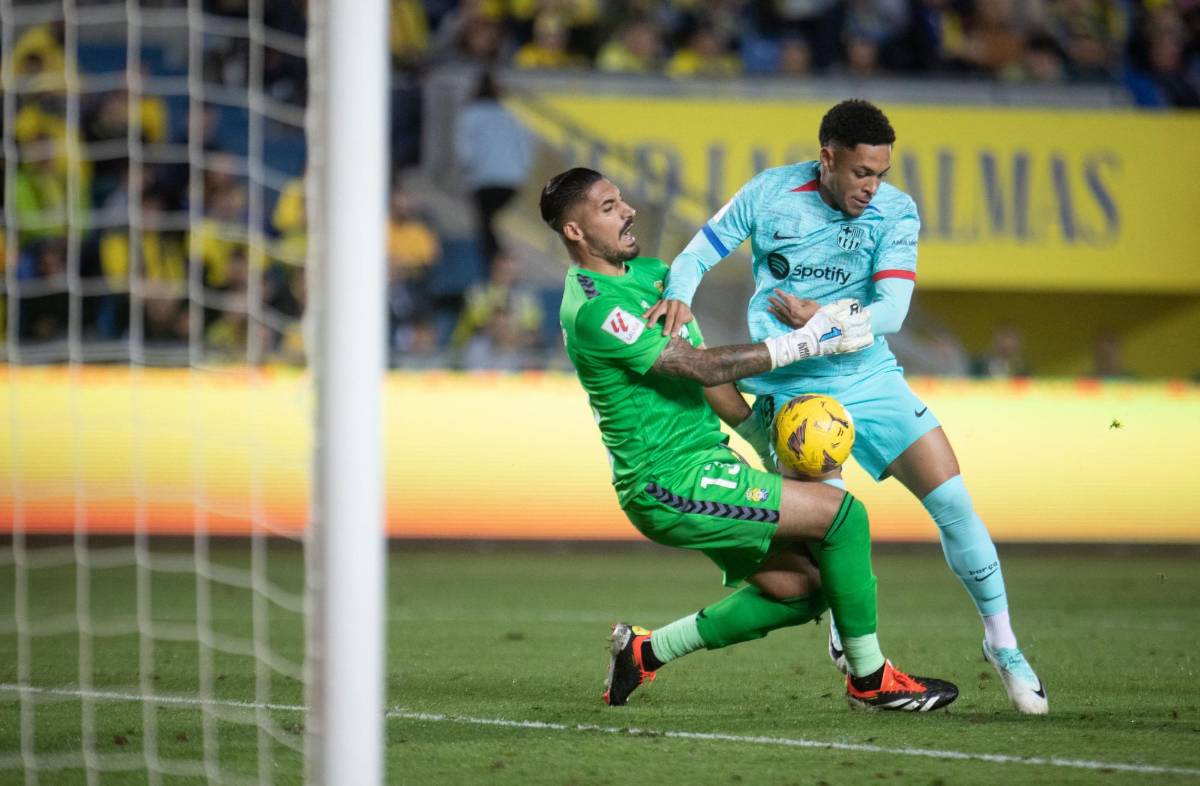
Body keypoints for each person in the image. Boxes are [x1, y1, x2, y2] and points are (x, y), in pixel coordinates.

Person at [645, 99, 1047, 714]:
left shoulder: (896, 211)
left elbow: (892, 311)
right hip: (794, 390)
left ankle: (1004, 645)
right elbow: (697, 252)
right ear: (827, 158)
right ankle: (862, 662)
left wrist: (825, 320)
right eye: (862, 172)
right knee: (831, 529)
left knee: (955, 505)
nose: (872, 186)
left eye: (881, 172)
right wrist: (679, 297)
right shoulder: (770, 193)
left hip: (870, 376)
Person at [541, 166, 959, 713]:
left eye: (621, 200)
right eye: (608, 206)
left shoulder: (653, 275)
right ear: (575, 232)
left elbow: (713, 385)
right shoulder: (594, 307)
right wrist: (801, 344)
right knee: (842, 517)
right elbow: (693, 366)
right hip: (664, 482)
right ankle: (871, 679)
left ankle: (644, 653)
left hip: (706, 464)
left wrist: (763, 442)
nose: (629, 211)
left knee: (806, 589)